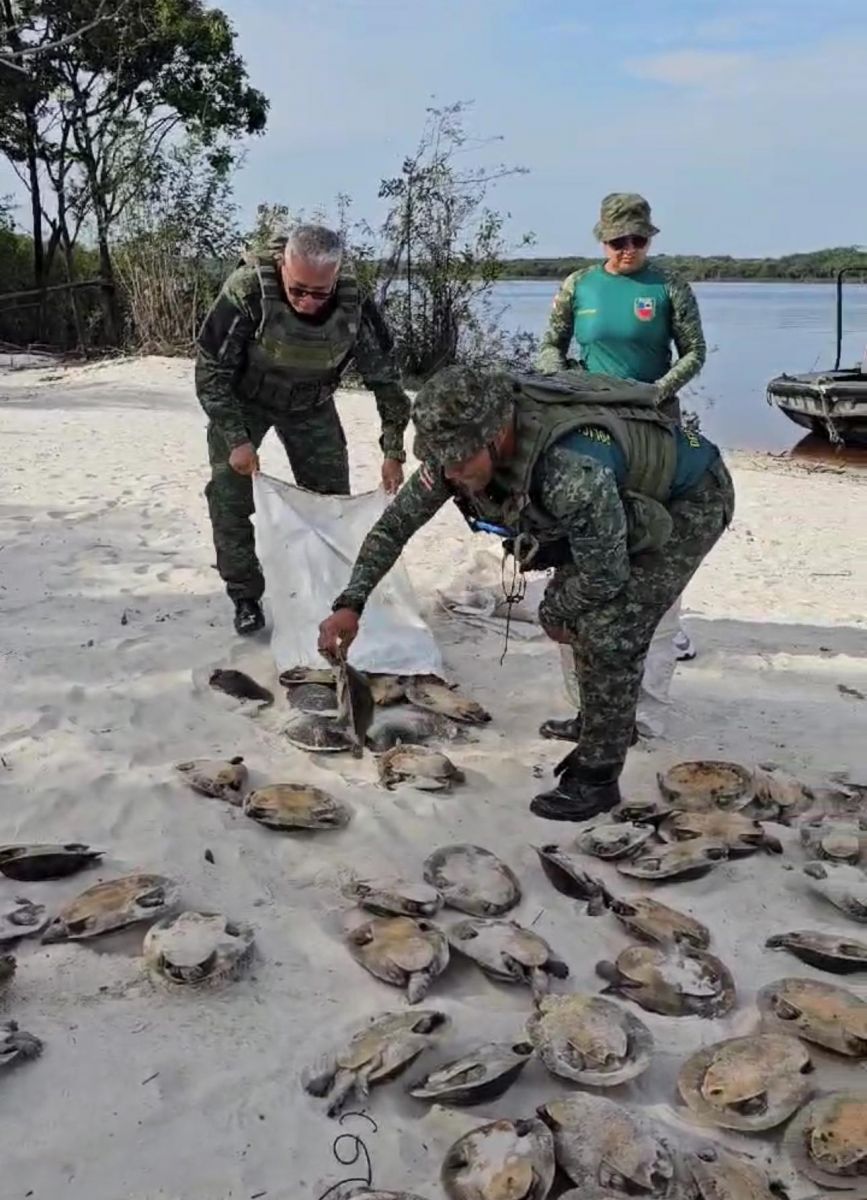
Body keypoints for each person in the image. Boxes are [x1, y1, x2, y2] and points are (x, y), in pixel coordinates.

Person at [318, 364, 734, 821]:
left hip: (691, 498)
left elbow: (605, 578)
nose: (451, 472)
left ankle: (597, 778)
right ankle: (601, 720)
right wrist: (350, 603)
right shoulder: (453, 458)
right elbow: (393, 528)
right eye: (441, 459)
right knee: (580, 612)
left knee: (611, 627)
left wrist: (554, 611)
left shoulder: (570, 472)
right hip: (611, 508)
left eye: (461, 460)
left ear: (498, 436)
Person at [536, 193, 707, 742]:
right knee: (581, 549)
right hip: (590, 424)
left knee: (653, 549)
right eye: (618, 241)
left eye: (638, 240)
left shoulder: (669, 287)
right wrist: (560, 382)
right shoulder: (578, 285)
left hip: (653, 425)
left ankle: (645, 709)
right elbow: (550, 344)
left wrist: (659, 390)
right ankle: (585, 708)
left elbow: (695, 352)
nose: (628, 250)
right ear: (602, 241)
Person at [195, 223, 411, 635]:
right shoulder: (247, 291)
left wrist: (393, 451)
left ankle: (330, 593)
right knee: (229, 497)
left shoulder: (353, 304)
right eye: (297, 290)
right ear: (282, 266)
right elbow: (210, 371)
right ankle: (245, 596)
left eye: (319, 293)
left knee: (330, 502)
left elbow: (386, 380)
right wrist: (236, 439)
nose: (308, 302)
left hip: (311, 403)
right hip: (244, 401)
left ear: (336, 278)